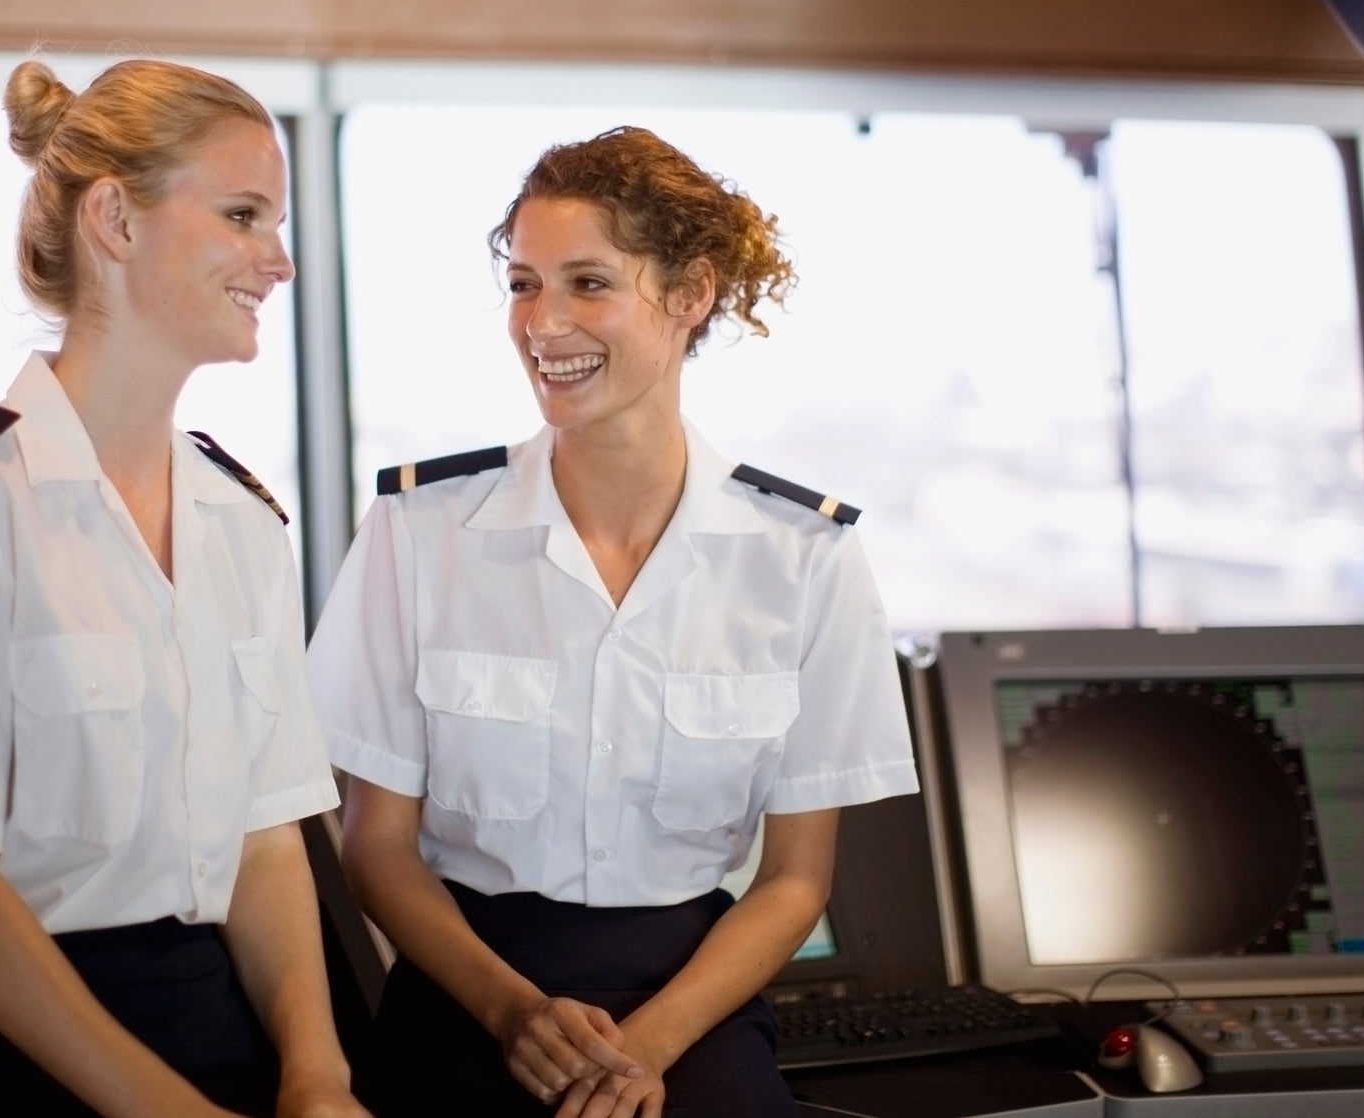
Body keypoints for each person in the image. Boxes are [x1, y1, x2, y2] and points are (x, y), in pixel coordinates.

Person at [306, 126, 918, 1118]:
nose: (542, 321)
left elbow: (797, 880)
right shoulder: (420, 532)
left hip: (691, 999)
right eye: (522, 283)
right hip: (469, 988)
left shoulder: (805, 556)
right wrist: (512, 1011)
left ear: (690, 295)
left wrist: (650, 1046)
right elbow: (374, 844)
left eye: (587, 282)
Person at [0, 58, 367, 1118]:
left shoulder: (241, 522)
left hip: (216, 1026)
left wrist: (317, 1076)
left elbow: (264, 840)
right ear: (115, 217)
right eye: (245, 214)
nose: (281, 261)